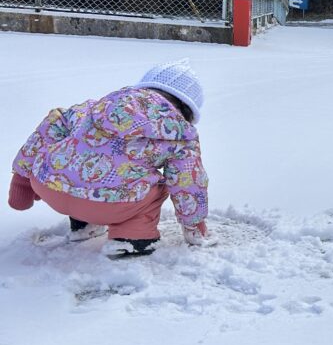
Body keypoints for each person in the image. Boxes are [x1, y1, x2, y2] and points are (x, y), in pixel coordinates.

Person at [7, 59, 213, 256]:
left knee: (82, 159)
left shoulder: (94, 107)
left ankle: (83, 224)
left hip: (49, 187)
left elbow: (52, 123)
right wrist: (194, 223)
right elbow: (187, 181)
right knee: (160, 186)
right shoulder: (181, 135)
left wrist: (22, 180)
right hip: (109, 206)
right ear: (188, 109)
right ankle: (133, 238)